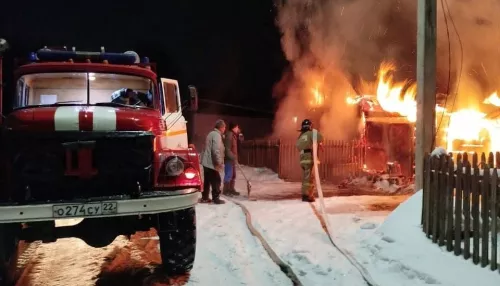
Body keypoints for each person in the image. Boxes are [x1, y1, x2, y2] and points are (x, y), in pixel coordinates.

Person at [295, 119, 324, 202]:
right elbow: (320, 137)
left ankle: (307, 194)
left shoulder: (301, 136)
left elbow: (298, 146)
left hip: (302, 158)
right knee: (309, 177)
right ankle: (306, 195)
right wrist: (320, 142)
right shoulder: (311, 133)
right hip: (308, 157)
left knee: (306, 177)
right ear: (310, 126)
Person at [200, 119, 226, 204]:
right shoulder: (217, 135)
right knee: (216, 180)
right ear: (221, 127)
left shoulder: (211, 133)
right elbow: (215, 150)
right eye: (224, 127)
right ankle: (216, 198)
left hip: (206, 162)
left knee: (207, 180)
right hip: (211, 162)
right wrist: (218, 162)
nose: (224, 129)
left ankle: (205, 197)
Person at [223, 122, 241, 196]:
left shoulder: (233, 135)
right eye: (237, 127)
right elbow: (227, 149)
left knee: (233, 175)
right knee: (228, 174)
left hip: (232, 159)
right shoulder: (229, 136)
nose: (238, 129)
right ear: (234, 128)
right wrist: (232, 157)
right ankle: (226, 190)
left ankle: (231, 189)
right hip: (228, 159)